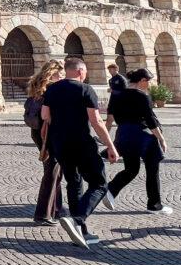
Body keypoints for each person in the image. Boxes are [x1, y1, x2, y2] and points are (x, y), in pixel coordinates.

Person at [41, 57, 119, 249]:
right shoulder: (85, 89)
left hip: (60, 144)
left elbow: (44, 115)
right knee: (99, 184)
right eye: (85, 71)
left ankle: (80, 231)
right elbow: (96, 121)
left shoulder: (52, 89)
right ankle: (77, 219)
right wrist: (110, 146)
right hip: (81, 142)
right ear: (80, 71)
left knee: (74, 182)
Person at [101, 68, 173, 215]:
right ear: (142, 81)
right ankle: (154, 205)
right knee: (152, 169)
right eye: (149, 81)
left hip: (124, 134)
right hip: (143, 135)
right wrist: (161, 138)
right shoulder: (142, 96)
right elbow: (150, 120)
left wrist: (110, 139)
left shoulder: (117, 95)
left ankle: (111, 190)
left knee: (131, 169)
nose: (150, 85)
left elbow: (110, 117)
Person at [24, 60, 64, 225]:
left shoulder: (36, 84)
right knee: (52, 171)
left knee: (55, 170)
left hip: (37, 131)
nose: (61, 77)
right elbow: (49, 114)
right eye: (59, 74)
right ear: (52, 73)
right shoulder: (52, 89)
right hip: (48, 131)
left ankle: (57, 209)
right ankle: (43, 214)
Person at [103, 63, 127, 131]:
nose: (110, 71)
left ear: (116, 69)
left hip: (120, 103)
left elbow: (125, 91)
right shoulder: (110, 80)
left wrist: (113, 91)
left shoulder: (121, 79)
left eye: (111, 70)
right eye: (109, 70)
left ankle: (123, 135)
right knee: (109, 120)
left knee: (120, 122)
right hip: (112, 103)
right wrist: (111, 91)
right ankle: (104, 136)